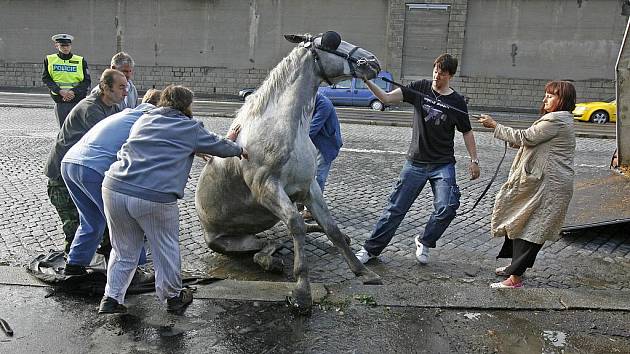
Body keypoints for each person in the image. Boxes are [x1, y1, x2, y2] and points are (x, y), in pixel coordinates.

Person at [98, 85, 248, 314]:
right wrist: (237, 147)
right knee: (164, 248)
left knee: (123, 249)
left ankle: (111, 298)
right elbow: (222, 148)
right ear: (187, 105)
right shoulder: (190, 128)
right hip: (153, 196)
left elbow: (161, 144)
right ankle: (173, 298)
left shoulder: (144, 120)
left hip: (115, 187)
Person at [354, 53, 480, 265]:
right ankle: (370, 250)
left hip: (443, 164)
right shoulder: (420, 88)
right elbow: (385, 98)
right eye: (435, 70)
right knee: (395, 209)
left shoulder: (457, 101)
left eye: (441, 72)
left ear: (450, 75)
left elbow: (467, 132)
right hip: (416, 162)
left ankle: (425, 241)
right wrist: (366, 80)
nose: (436, 75)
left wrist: (474, 160)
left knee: (448, 207)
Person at [478, 81, 576, 289]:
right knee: (520, 222)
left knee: (531, 230)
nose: (545, 99)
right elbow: (529, 141)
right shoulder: (556, 120)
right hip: (543, 184)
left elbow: (525, 137)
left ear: (563, 99)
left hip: (550, 187)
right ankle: (513, 268)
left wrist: (495, 126)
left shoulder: (556, 121)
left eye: (550, 96)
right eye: (546, 95)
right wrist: (514, 140)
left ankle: (515, 279)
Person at [60, 89, 161, 275]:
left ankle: (74, 264)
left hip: (70, 162)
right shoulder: (150, 119)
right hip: (94, 169)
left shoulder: (126, 113)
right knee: (126, 223)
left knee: (92, 220)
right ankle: (134, 269)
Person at [44, 69, 127, 255]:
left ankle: (108, 267)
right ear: (106, 88)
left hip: (85, 173)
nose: (126, 92)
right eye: (121, 87)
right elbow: (110, 145)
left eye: (126, 87)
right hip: (62, 177)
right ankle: (73, 272)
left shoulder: (113, 107)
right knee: (76, 229)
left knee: (103, 224)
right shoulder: (91, 109)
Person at [301, 93, 343, 220]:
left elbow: (313, 127)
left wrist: (298, 142)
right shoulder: (307, 101)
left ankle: (313, 210)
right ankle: (301, 202)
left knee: (318, 177)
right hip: (314, 144)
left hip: (326, 145)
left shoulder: (324, 104)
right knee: (305, 174)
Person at [42, 34, 92, 128]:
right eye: (62, 46)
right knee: (63, 129)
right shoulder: (49, 59)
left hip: (77, 99)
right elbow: (46, 78)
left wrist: (73, 92)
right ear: (56, 46)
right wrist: (60, 91)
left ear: (71, 46)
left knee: (77, 129)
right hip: (60, 99)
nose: (65, 48)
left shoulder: (80, 60)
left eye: (67, 45)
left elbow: (87, 81)